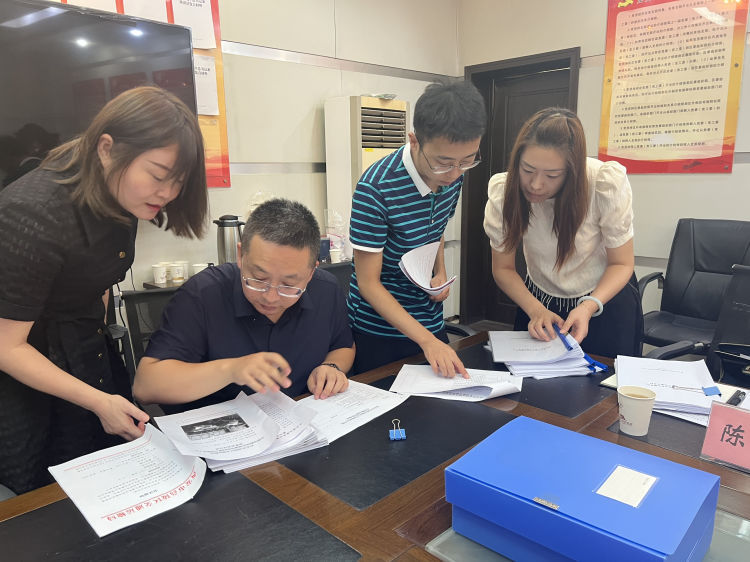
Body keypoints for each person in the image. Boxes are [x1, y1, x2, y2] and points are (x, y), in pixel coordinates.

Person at [0, 86, 209, 494]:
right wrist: (97, 401)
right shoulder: (31, 213)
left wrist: (101, 387)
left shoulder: (119, 195)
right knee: (49, 501)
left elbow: (98, 281)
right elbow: (7, 346)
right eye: (158, 176)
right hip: (28, 380)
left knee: (117, 481)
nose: (167, 194)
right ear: (108, 149)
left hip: (87, 355)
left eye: (178, 181)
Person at [133, 198, 354, 414]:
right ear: (240, 255)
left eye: (289, 285)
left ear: (311, 272)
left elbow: (343, 345)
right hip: (222, 428)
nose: (271, 297)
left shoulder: (326, 289)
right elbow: (145, 387)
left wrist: (331, 367)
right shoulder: (202, 294)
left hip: (302, 419)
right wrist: (231, 370)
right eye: (258, 278)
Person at [348, 81, 486, 377]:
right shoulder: (375, 188)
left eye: (467, 161)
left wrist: (440, 272)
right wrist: (427, 342)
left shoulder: (453, 175)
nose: (454, 174)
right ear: (414, 141)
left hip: (429, 320)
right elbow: (368, 284)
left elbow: (436, 228)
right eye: (443, 163)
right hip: (379, 330)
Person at [484, 107, 641, 358]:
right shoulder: (504, 191)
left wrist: (588, 307)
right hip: (538, 303)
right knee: (531, 377)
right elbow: (503, 268)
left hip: (603, 300)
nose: (536, 184)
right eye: (527, 170)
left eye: (552, 175)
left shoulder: (603, 183)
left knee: (603, 379)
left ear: (572, 171)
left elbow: (622, 263)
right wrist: (535, 310)